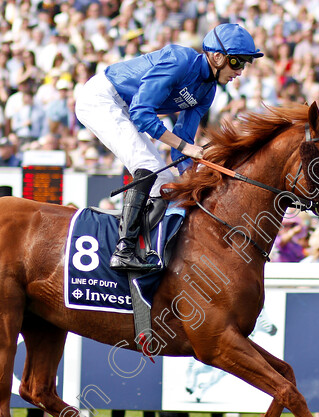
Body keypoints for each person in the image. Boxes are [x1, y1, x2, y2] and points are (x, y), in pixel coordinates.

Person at [75, 23, 262, 272]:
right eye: (237, 62)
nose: (240, 72)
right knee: (149, 167)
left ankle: (144, 248)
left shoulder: (207, 91)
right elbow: (143, 114)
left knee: (163, 179)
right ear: (218, 57)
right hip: (103, 98)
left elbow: (181, 145)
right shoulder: (180, 59)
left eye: (245, 64)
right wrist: (187, 147)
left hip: (125, 108)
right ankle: (123, 250)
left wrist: (195, 181)